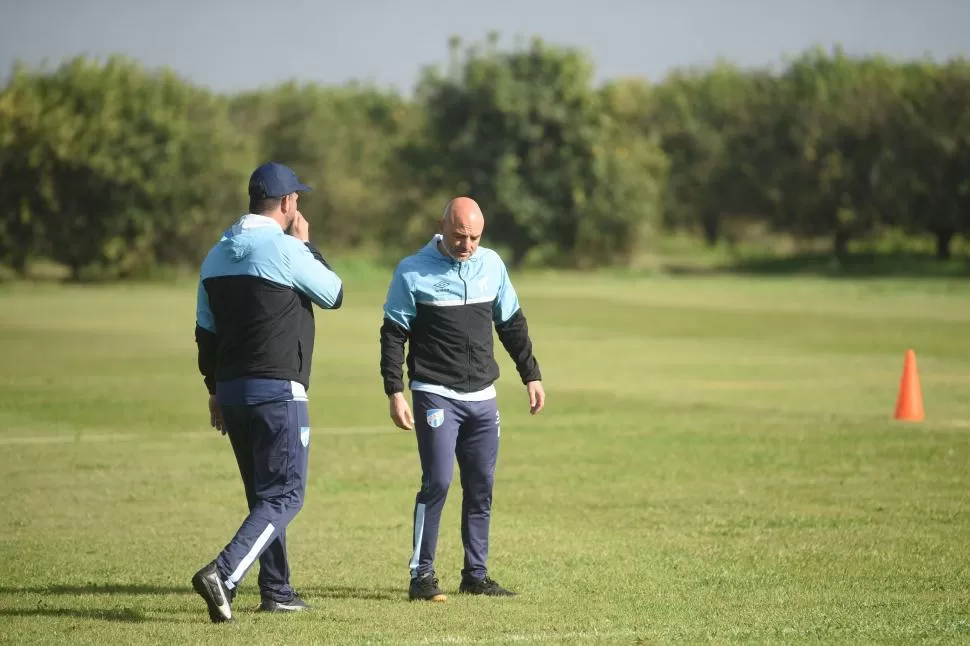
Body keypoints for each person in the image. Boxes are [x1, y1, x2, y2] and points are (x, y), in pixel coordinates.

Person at [191, 162, 344, 623]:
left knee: (265, 497)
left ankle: (276, 589)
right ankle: (223, 573)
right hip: (277, 391)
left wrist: (214, 389)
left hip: (232, 392)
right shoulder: (284, 248)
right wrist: (304, 244)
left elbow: (205, 333)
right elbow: (334, 293)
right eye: (296, 197)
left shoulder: (215, 255)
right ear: (286, 203)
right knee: (286, 496)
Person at [380, 196, 546, 602]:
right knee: (437, 481)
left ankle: (476, 574)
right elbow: (393, 333)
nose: (466, 244)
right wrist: (394, 391)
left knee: (481, 486)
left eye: (473, 237)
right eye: (459, 235)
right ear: (443, 226)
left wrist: (532, 375)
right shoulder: (411, 271)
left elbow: (511, 323)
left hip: (483, 397)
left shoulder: (492, 265)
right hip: (435, 393)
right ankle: (422, 576)